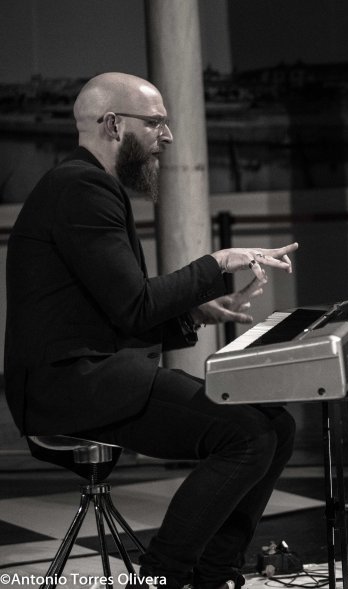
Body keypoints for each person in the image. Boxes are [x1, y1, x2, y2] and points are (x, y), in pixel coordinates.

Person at [4, 72, 301, 589]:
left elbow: (118, 305)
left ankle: (215, 570)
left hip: (92, 372)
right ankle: (166, 576)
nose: (167, 136)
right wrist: (218, 262)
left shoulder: (84, 184)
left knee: (277, 426)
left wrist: (197, 313)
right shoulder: (81, 187)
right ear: (114, 125)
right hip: (71, 385)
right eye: (156, 122)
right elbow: (135, 306)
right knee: (248, 435)